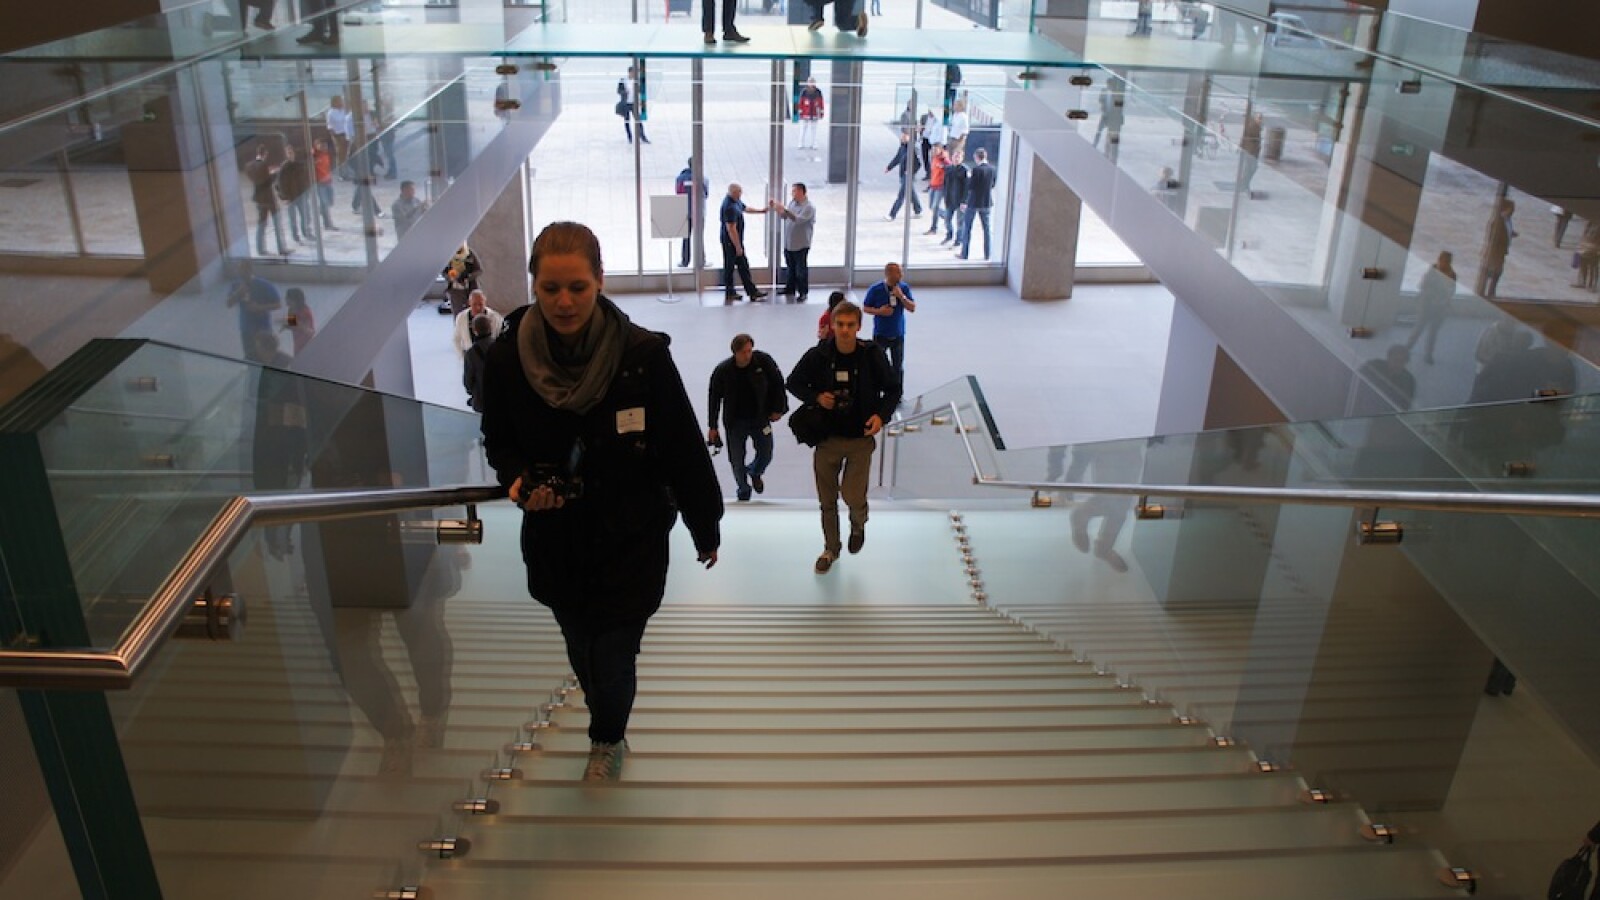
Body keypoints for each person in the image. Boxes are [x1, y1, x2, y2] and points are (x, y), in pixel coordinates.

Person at [479, 221, 722, 782]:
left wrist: (704, 524)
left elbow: (683, 446)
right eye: (551, 289)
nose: (565, 302)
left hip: (630, 536)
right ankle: (603, 712)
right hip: (556, 537)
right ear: (534, 286)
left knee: (613, 654)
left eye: (578, 288)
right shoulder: (509, 360)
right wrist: (517, 480)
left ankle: (606, 737)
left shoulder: (640, 357)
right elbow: (499, 439)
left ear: (600, 282)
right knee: (581, 646)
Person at [786, 300, 901, 575]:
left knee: (851, 493)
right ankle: (831, 549)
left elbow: (893, 389)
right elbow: (793, 382)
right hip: (827, 439)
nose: (845, 330)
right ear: (832, 325)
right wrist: (815, 397)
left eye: (851, 325)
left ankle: (858, 522)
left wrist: (881, 417)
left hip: (861, 438)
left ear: (859, 327)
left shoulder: (871, 354)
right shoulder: (819, 355)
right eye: (840, 325)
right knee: (827, 500)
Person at [706, 333, 789, 502]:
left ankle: (755, 471)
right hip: (735, 422)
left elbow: (777, 384)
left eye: (749, 351)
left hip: (760, 418)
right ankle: (743, 490)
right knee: (736, 460)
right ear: (735, 353)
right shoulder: (723, 371)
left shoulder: (763, 362)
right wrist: (712, 426)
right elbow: (714, 398)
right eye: (743, 352)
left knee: (766, 452)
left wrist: (779, 409)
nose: (747, 355)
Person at [861, 262, 916, 377]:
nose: (901, 275)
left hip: (898, 334)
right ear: (889, 274)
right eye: (899, 272)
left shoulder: (903, 288)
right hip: (881, 334)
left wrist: (901, 296)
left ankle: (897, 391)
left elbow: (912, 308)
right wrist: (879, 312)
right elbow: (865, 308)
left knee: (898, 366)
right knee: (877, 364)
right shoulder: (876, 289)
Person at [1406, 250, 1456, 364]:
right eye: (1443, 260)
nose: (1445, 263)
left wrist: (1444, 300)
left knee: (1433, 332)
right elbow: (1422, 286)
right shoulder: (1432, 272)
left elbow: (1451, 290)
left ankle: (1428, 354)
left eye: (1447, 261)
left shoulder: (1451, 275)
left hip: (1440, 308)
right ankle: (1407, 348)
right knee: (1419, 328)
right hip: (1427, 306)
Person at [719, 183, 766, 302]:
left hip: (735, 241)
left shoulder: (736, 201)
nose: (741, 194)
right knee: (733, 266)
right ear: (733, 192)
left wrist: (761, 211)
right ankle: (743, 291)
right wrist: (738, 247)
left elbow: (745, 208)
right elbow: (731, 229)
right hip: (731, 242)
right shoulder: (729, 206)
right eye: (739, 192)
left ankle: (748, 291)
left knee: (740, 266)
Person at [770, 182, 815, 301]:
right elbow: (786, 216)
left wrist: (784, 209)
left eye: (794, 191)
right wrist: (778, 209)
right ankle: (790, 288)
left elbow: (798, 219)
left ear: (801, 192)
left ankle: (803, 291)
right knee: (790, 268)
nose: (792, 193)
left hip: (801, 243)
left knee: (801, 269)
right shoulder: (792, 203)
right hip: (789, 242)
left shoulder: (809, 207)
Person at [228, 261, 281, 357]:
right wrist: (238, 293)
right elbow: (229, 303)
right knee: (249, 353)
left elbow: (278, 304)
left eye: (244, 271)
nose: (241, 274)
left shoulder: (264, 285)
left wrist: (260, 307)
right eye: (240, 271)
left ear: (250, 271)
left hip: (263, 327)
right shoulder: (236, 285)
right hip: (246, 327)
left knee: (266, 353)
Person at [244, 143, 288, 257]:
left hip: (258, 198)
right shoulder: (263, 165)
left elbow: (258, 179)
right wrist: (274, 174)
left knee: (261, 224)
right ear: (265, 154)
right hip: (268, 198)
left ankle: (260, 249)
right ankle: (281, 248)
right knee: (277, 223)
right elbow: (267, 182)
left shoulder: (249, 165)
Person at [956, 147, 995, 260]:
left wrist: (969, 177)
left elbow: (971, 187)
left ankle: (965, 254)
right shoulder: (992, 169)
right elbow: (993, 185)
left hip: (973, 203)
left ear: (977, 157)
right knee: (987, 229)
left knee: (967, 228)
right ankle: (987, 254)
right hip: (986, 202)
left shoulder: (975, 170)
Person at [1476, 198, 1517, 299]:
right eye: (1511, 209)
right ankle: (1483, 293)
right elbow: (1493, 238)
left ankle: (1491, 293)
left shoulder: (1507, 220)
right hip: (1494, 253)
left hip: (1501, 253)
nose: (1512, 212)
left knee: (1496, 274)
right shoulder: (1497, 222)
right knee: (1490, 273)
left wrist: (1510, 234)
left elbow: (1506, 231)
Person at [1358, 344, 1417, 408]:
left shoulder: (1409, 381)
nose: (1398, 364)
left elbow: (1404, 406)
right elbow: (1356, 380)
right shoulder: (1373, 365)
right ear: (1388, 357)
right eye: (1396, 360)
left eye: (1402, 362)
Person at [674, 159, 709, 268]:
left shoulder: (680, 178)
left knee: (686, 238)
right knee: (699, 237)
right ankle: (700, 261)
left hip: (685, 212)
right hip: (699, 213)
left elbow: (678, 193)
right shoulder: (703, 179)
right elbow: (706, 194)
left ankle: (685, 261)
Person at [275, 143, 312, 244]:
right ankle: (296, 236)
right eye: (288, 152)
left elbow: (305, 179)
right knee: (293, 219)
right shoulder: (284, 167)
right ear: (286, 154)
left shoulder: (299, 165)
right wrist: (283, 197)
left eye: (291, 152)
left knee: (305, 215)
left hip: (300, 195)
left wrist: (306, 191)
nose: (290, 154)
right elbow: (279, 184)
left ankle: (306, 232)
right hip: (290, 197)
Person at [884, 133, 922, 221]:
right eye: (902, 136)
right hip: (902, 174)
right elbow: (897, 158)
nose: (902, 138)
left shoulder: (913, 148)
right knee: (911, 194)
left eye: (905, 136)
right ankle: (918, 210)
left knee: (901, 195)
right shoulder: (902, 148)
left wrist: (911, 171)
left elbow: (918, 163)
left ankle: (892, 214)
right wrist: (889, 167)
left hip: (908, 176)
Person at [461, 314, 495, 413]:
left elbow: (468, 381)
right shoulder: (500, 346)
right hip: (500, 398)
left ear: (474, 330)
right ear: (491, 328)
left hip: (481, 400)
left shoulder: (471, 354)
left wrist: (471, 392)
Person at [453, 289, 504, 355]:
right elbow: (456, 339)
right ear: (469, 303)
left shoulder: (496, 318)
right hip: (470, 357)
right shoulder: (461, 318)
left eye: (480, 304)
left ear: (485, 303)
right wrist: (463, 356)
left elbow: (501, 337)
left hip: (490, 356)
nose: (478, 308)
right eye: (474, 304)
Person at [442, 243, 482, 317]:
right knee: (458, 314)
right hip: (455, 290)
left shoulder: (469, 254)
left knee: (472, 313)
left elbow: (479, 270)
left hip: (470, 289)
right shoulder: (448, 254)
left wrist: (467, 277)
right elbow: (443, 271)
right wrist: (450, 277)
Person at [939, 149, 967, 245]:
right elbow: (945, 184)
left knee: (960, 222)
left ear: (962, 158)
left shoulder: (965, 171)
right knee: (947, 220)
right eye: (955, 156)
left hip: (960, 201)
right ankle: (949, 235)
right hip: (949, 199)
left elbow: (967, 187)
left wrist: (964, 201)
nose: (956, 159)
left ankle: (958, 240)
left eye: (958, 157)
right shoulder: (949, 169)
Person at [311, 137, 339, 231]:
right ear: (316, 145)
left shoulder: (326, 154)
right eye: (321, 145)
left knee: (330, 201)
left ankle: (322, 210)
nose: (324, 147)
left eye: (325, 145)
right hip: (320, 183)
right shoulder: (314, 156)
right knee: (325, 203)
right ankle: (328, 224)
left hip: (328, 181)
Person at [618, 66, 649, 145]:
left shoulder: (636, 81)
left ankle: (642, 136)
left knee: (638, 120)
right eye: (632, 72)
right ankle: (630, 137)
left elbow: (640, 91)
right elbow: (619, 90)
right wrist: (624, 92)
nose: (633, 74)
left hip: (634, 103)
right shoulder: (623, 80)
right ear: (629, 72)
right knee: (627, 121)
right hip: (626, 103)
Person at [924, 143, 950, 236]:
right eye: (933, 150)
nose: (934, 151)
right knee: (931, 206)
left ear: (940, 149)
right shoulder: (934, 158)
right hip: (933, 185)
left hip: (940, 186)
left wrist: (944, 166)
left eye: (936, 150)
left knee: (935, 207)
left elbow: (950, 168)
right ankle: (947, 215)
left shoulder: (944, 159)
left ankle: (934, 228)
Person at [326, 94, 354, 175]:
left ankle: (347, 169)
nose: (341, 102)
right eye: (340, 101)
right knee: (341, 154)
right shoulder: (331, 113)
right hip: (338, 135)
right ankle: (341, 172)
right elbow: (329, 125)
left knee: (347, 152)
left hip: (346, 133)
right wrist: (334, 137)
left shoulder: (344, 110)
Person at [1239, 111, 1264, 196]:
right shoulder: (1253, 126)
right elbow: (1247, 137)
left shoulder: (1256, 126)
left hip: (1253, 152)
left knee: (1251, 168)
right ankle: (1244, 184)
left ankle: (1244, 184)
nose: (1260, 120)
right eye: (1259, 118)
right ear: (1255, 118)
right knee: (1251, 168)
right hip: (1250, 152)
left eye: (1261, 118)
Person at [284, 287, 315, 355]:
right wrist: (286, 326)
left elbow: (310, 331)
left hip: (306, 341)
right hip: (297, 340)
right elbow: (292, 325)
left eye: (288, 298)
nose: (286, 300)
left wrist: (298, 325)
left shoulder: (305, 312)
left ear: (295, 300)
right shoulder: (291, 310)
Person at [797, 77, 825, 150]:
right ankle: (800, 143)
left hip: (815, 113)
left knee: (814, 130)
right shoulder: (804, 92)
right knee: (803, 129)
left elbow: (821, 103)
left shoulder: (818, 92)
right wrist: (800, 112)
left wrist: (821, 112)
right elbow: (801, 103)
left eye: (813, 82)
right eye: (810, 82)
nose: (811, 83)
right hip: (805, 113)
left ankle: (814, 144)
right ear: (808, 83)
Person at [1575, 218, 1600, 291]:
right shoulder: (1590, 220)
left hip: (1596, 247)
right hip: (1586, 244)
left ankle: (1592, 285)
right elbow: (1585, 231)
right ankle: (1582, 282)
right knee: (1583, 263)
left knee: (1593, 266)